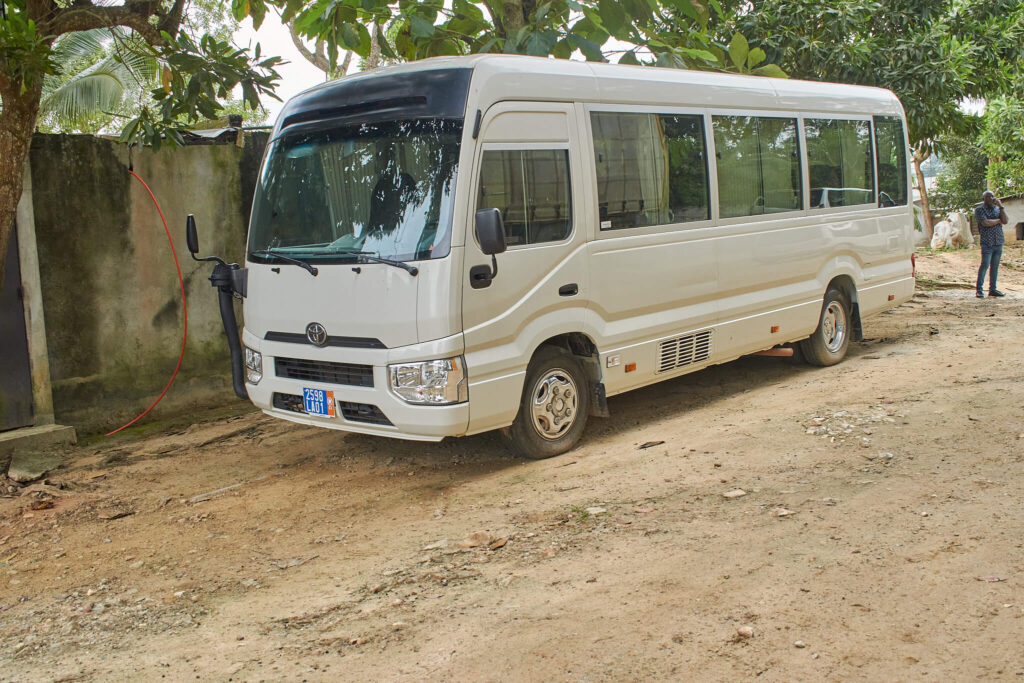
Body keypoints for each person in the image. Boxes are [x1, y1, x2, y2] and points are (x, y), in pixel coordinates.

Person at [974, 190, 1008, 298]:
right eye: (988, 197)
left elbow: (1005, 221)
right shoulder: (979, 209)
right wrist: (998, 221)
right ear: (983, 199)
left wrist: (1001, 206)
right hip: (987, 243)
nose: (991, 198)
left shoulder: (997, 209)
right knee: (985, 265)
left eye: (992, 196)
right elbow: (985, 223)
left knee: (995, 267)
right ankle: (979, 290)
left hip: (998, 242)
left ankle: (993, 289)